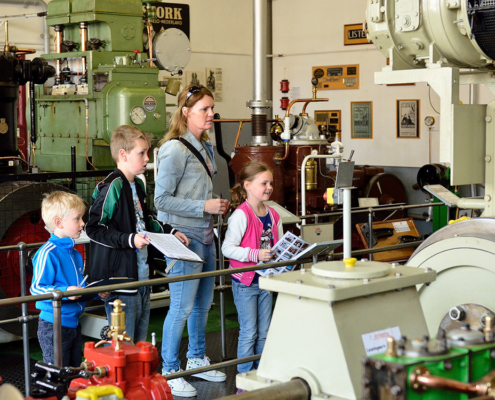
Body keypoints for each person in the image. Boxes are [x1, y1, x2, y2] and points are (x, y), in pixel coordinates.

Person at [155, 84, 230, 397]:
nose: (211, 114)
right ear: (186, 113)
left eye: (212, 108)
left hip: (205, 234)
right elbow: (161, 201)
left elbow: (193, 191)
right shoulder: (174, 149)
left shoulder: (207, 147)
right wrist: (204, 206)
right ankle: (170, 370)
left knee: (202, 306)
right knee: (182, 307)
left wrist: (214, 204)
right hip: (183, 239)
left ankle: (196, 360)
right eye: (204, 109)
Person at [85, 125, 188, 344]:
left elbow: (145, 221)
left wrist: (171, 231)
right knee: (124, 343)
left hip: (141, 276)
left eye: (147, 152)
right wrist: (129, 239)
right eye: (141, 153)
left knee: (140, 341)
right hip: (120, 280)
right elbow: (94, 228)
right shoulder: (113, 186)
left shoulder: (138, 186)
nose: (147, 158)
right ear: (123, 155)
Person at [221, 161, 283, 393]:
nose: (268, 187)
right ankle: (245, 378)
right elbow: (228, 248)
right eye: (263, 183)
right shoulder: (240, 215)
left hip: (266, 280)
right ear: (247, 185)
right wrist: (255, 253)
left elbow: (278, 243)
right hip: (245, 282)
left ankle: (261, 372)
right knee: (249, 331)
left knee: (264, 331)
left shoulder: (273, 214)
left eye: (270, 183)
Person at [30, 191, 108, 367]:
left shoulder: (74, 252)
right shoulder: (47, 253)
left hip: (73, 323)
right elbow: (36, 289)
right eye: (77, 218)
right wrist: (63, 293)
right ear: (59, 222)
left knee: (73, 370)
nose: (83, 223)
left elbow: (77, 287)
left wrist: (96, 293)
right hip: (53, 325)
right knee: (58, 374)